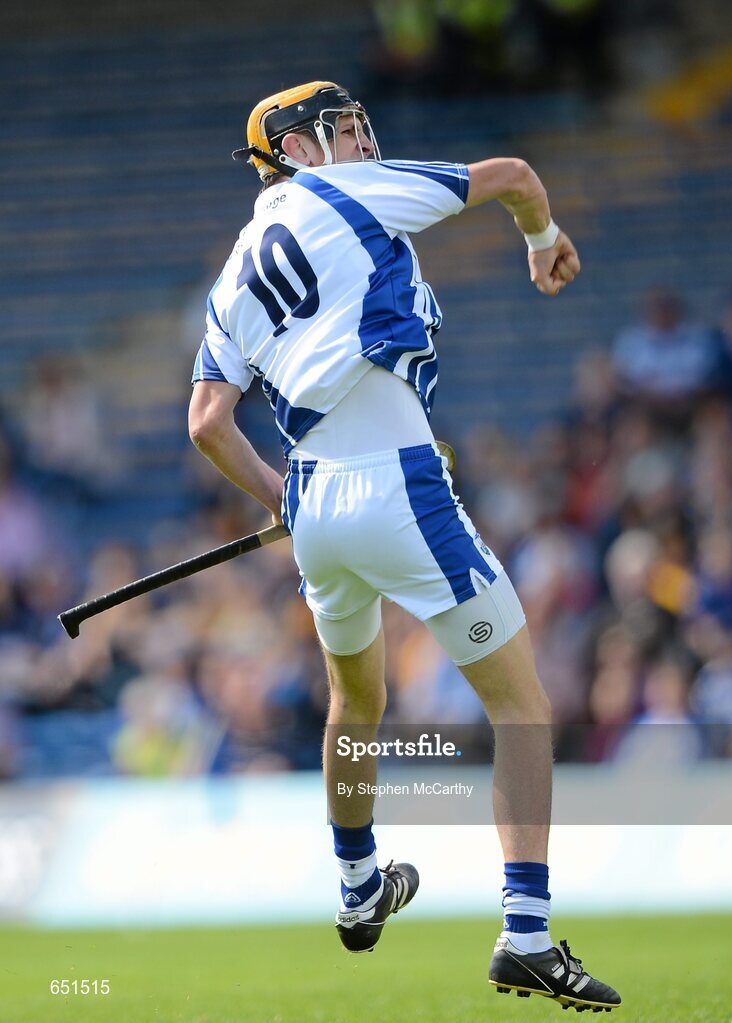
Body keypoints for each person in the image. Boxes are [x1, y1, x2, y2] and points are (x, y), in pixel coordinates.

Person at [188, 80, 620, 1013]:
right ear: (293, 152)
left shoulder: (230, 274)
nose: (359, 140)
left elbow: (206, 423)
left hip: (315, 501)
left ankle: (356, 881)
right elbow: (513, 175)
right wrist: (543, 240)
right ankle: (528, 932)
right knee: (521, 708)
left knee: (356, 699)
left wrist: (281, 501)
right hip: (397, 482)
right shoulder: (351, 191)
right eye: (338, 131)